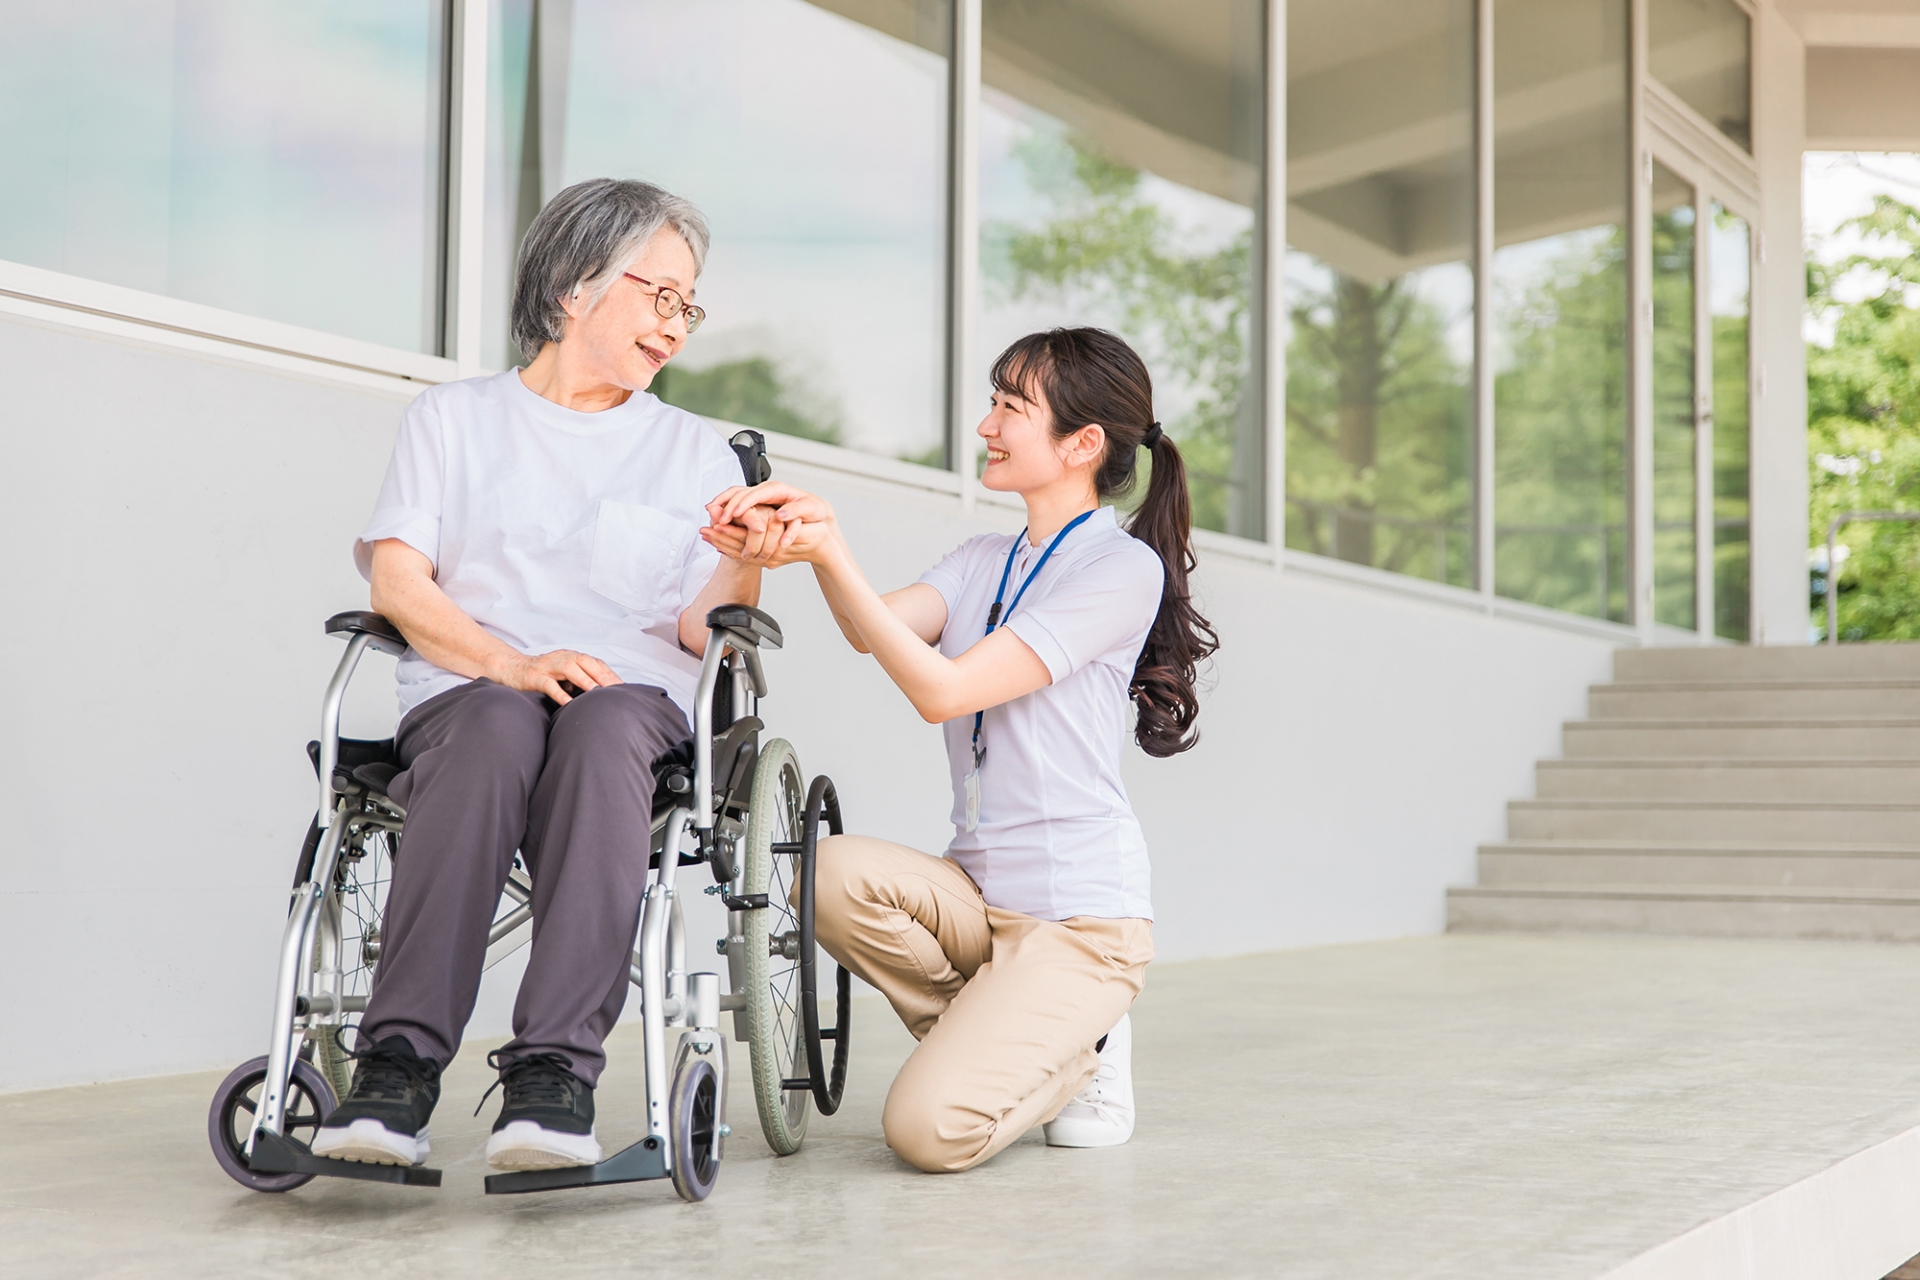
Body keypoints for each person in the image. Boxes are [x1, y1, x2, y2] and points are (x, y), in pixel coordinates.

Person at [310, 178, 793, 1172]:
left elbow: (707, 633)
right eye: (657, 293)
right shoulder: (454, 420)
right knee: (494, 726)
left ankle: (552, 1079)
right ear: (575, 287)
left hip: (630, 708)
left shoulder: (697, 450)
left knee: (604, 727)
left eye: (686, 305)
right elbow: (399, 578)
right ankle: (394, 1070)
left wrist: (747, 552)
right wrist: (511, 663)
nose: (676, 323)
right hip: (469, 691)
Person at [703, 326, 1217, 1172]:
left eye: (1013, 407)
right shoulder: (985, 557)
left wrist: (829, 549)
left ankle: (1079, 1044)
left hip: (1077, 920)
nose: (988, 425)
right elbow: (870, 629)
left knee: (926, 1133)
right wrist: (812, 543)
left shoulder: (1121, 572)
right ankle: (1025, 1034)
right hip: (979, 898)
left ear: (1083, 443)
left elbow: (942, 690)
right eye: (994, 402)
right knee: (818, 871)